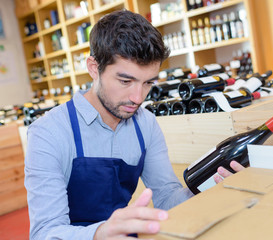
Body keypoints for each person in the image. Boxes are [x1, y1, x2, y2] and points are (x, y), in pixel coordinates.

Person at [24, 9, 244, 240]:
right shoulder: (48, 133)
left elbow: (167, 198)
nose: (138, 98)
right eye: (125, 81)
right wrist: (99, 233)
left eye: (148, 82)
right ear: (93, 68)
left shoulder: (146, 123)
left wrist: (209, 185)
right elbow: (45, 232)